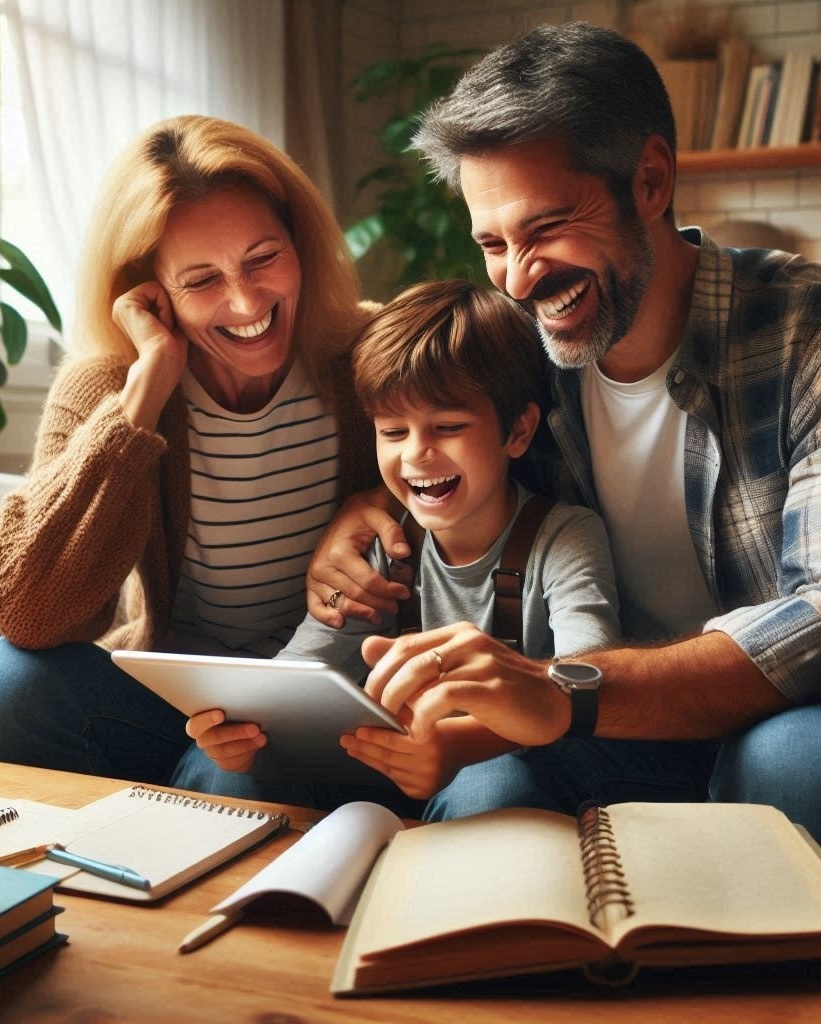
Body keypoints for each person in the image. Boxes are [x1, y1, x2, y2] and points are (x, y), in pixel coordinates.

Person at [305, 23, 821, 891]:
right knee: (491, 785)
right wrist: (363, 504)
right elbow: (401, 385)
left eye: (549, 228)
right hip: (611, 746)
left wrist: (569, 686)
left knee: (814, 760)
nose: (521, 278)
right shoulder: (520, 351)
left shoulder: (814, 324)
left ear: (650, 180)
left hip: (781, 729)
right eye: (493, 244)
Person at [0, 114, 383, 797]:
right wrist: (144, 389)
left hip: (331, 699)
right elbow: (29, 610)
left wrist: (377, 501)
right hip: (174, 706)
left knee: (245, 770)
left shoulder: (370, 353)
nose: (246, 301)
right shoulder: (109, 387)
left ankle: (192, 794)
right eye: (201, 280)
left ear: (301, 244)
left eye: (263, 257)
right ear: (149, 291)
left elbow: (473, 483)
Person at [185, 278, 621, 809]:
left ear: (518, 432)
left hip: (505, 771)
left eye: (448, 426)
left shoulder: (565, 538)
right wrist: (240, 730)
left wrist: (462, 745)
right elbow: (297, 672)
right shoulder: (383, 546)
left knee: (492, 784)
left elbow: (588, 681)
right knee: (217, 767)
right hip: (382, 772)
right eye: (393, 432)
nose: (416, 454)